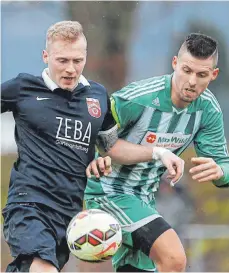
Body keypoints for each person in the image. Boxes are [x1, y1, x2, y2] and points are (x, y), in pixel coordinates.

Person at [1, 21, 184, 272]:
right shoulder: (22, 89)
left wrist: (159, 153)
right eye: (62, 60)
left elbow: (111, 147)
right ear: (46, 56)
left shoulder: (96, 96)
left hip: (70, 214)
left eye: (77, 61)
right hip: (29, 204)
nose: (70, 69)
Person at [85, 33, 229, 272]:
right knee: (174, 259)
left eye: (201, 75)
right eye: (186, 70)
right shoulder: (138, 98)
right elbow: (104, 143)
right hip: (108, 192)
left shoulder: (208, 110)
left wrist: (220, 170)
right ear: (175, 64)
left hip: (146, 201)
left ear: (213, 75)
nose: (192, 81)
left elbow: (223, 164)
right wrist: (157, 152)